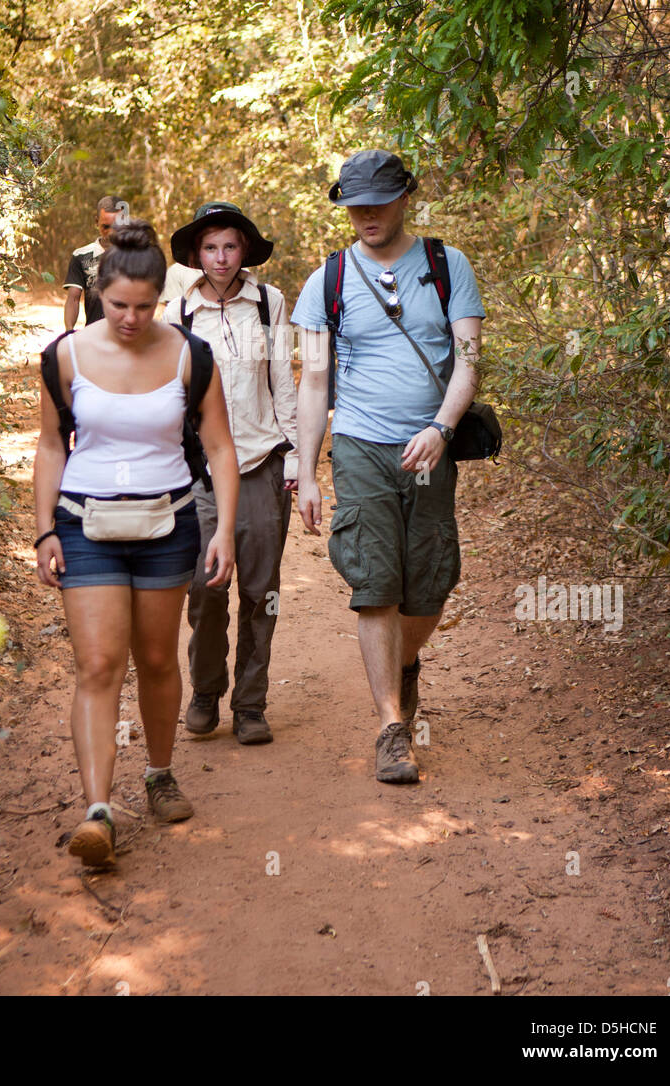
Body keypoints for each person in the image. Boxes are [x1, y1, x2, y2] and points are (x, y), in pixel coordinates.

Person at [34, 219, 239, 866]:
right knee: (98, 666)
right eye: (119, 305)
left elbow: (220, 447)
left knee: (155, 661)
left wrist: (225, 530)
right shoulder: (65, 355)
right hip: (84, 525)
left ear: (162, 299)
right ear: (100, 294)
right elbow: (48, 446)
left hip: (167, 522)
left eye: (145, 307)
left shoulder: (188, 355)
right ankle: (97, 810)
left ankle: (158, 772)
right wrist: (42, 529)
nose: (131, 318)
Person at [291, 150, 485, 784]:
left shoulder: (445, 264)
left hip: (429, 446)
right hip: (359, 445)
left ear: (405, 197)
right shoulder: (328, 280)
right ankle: (390, 727)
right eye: (355, 205)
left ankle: (403, 665)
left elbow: (468, 361)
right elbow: (314, 379)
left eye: (378, 201)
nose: (367, 214)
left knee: (429, 580)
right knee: (375, 583)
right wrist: (307, 466)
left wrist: (441, 428)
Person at [164, 201, 297, 745]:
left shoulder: (268, 303)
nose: (221, 257)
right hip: (197, 472)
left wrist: (295, 457)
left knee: (261, 591)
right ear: (197, 255)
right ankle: (205, 690)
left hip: (261, 464)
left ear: (245, 250)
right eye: (211, 247)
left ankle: (250, 704)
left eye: (230, 246)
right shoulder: (175, 313)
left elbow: (285, 380)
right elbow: (166, 393)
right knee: (205, 587)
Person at [63, 196, 130, 329]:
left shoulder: (137, 255)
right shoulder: (81, 256)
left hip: (128, 334)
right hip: (94, 334)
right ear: (96, 222)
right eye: (106, 227)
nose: (111, 232)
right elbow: (73, 298)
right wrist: (69, 332)